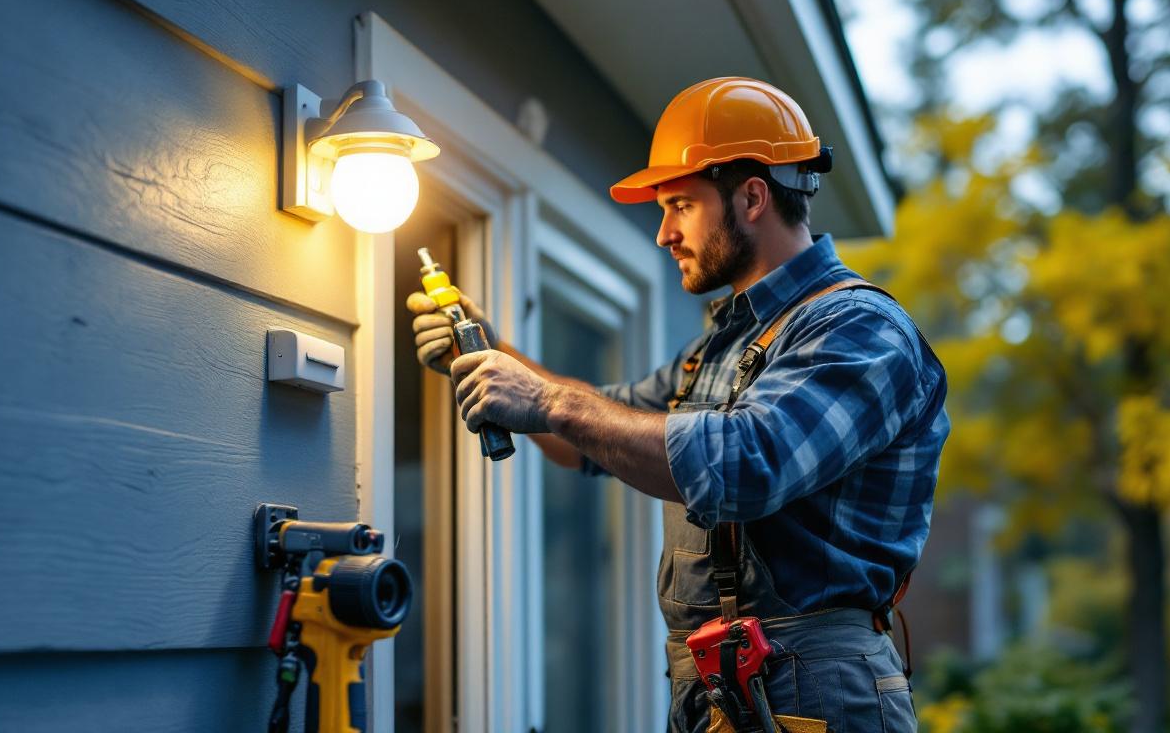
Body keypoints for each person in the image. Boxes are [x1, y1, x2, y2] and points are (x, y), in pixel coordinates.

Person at [406, 77, 949, 733]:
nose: (664, 233)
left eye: (681, 205)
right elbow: (591, 431)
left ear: (752, 196)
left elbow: (749, 462)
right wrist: (496, 353)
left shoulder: (857, 328)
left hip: (819, 689)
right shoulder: (721, 347)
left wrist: (543, 398)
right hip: (722, 688)